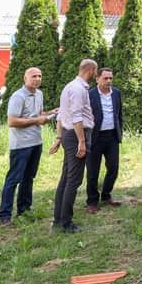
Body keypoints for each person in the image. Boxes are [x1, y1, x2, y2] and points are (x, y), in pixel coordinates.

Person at [0, 67, 57, 225]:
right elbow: (12, 121)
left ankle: (24, 211)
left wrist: (50, 113)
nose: (37, 79)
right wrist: (37, 120)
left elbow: (37, 114)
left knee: (28, 178)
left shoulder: (39, 94)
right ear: (25, 78)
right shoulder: (18, 96)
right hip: (20, 145)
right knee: (14, 179)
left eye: (39, 76)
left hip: (36, 142)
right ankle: (5, 215)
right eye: (33, 76)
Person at [51, 58, 96, 233]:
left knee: (66, 178)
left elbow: (61, 116)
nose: (95, 74)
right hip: (77, 135)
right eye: (95, 71)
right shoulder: (78, 89)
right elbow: (76, 117)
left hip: (69, 135)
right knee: (74, 180)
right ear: (90, 70)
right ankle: (66, 222)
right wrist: (82, 141)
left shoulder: (69, 86)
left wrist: (59, 137)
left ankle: (58, 218)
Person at [85, 67, 124, 213]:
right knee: (93, 171)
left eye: (110, 78)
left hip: (112, 137)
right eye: (105, 78)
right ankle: (92, 201)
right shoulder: (90, 95)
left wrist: (119, 133)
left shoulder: (117, 93)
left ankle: (106, 195)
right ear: (97, 79)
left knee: (113, 168)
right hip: (95, 137)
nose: (108, 81)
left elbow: (119, 114)